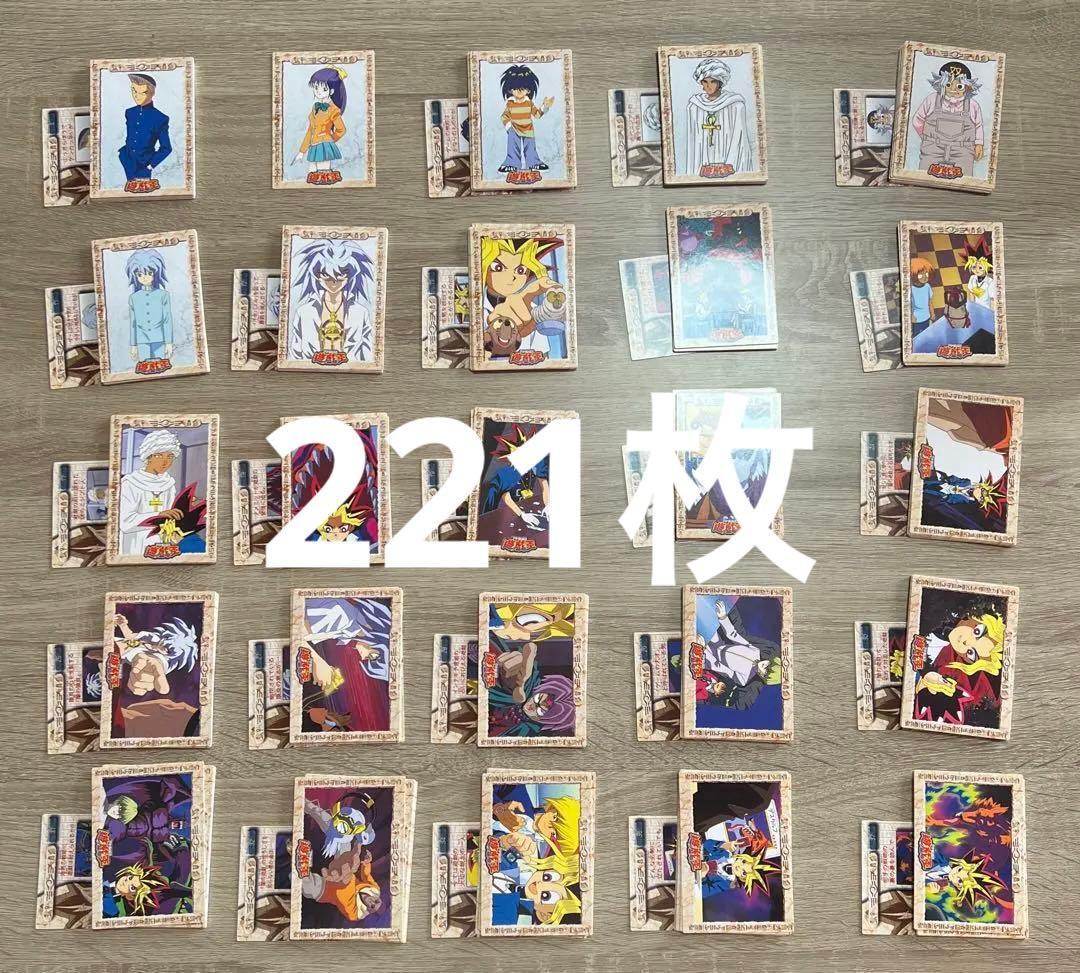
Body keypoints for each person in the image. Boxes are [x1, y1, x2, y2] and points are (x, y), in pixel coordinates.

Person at [912, 60, 984, 176]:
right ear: (941, 84)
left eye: (959, 86)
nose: (953, 89)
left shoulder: (972, 105)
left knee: (964, 178)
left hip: (962, 151)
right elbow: (917, 120)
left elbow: (978, 126)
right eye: (948, 85)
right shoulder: (932, 99)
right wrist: (927, 137)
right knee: (924, 175)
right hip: (932, 149)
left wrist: (979, 144)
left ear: (967, 87)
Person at [684, 58, 752, 177]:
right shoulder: (694, 106)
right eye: (705, 81)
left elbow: (738, 139)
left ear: (720, 83)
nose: (708, 86)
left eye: (713, 81)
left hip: (728, 164)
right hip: (703, 166)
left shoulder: (736, 105)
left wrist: (730, 165)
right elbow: (694, 144)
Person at [118, 430, 182, 556]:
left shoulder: (169, 484)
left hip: (161, 545)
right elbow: (125, 522)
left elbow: (169, 518)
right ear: (148, 457)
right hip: (135, 544)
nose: (165, 462)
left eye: (170, 456)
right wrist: (158, 515)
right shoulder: (130, 483)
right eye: (159, 455)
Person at [118, 73, 172, 193]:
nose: (136, 96)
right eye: (134, 91)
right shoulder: (129, 113)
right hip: (127, 159)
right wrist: (124, 155)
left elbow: (166, 148)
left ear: (151, 94)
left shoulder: (161, 118)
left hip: (144, 165)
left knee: (140, 194)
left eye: (142, 93)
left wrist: (150, 165)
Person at [294, 66, 348, 185]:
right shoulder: (315, 108)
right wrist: (301, 151)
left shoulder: (333, 110)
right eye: (316, 87)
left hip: (324, 147)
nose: (318, 91)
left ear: (331, 91)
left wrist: (329, 140)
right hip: (314, 146)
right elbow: (310, 131)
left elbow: (341, 129)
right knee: (312, 176)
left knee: (323, 178)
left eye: (323, 88)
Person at [497, 65, 554, 176]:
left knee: (530, 147)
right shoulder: (510, 104)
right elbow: (504, 116)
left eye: (522, 88)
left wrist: (545, 107)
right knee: (513, 146)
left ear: (528, 90)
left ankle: (534, 163)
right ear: (510, 89)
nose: (519, 91)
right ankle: (511, 164)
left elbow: (537, 115)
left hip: (528, 128)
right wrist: (509, 127)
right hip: (514, 128)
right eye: (515, 88)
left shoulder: (529, 103)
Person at [125, 249, 173, 374]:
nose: (145, 277)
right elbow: (133, 323)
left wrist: (169, 342)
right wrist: (133, 345)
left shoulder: (163, 295)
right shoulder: (134, 298)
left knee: (160, 370)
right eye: (140, 274)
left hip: (159, 338)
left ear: (155, 273)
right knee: (145, 371)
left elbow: (167, 320)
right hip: (142, 340)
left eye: (149, 273)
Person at [909, 258, 934, 333]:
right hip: (916, 319)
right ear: (913, 275)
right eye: (920, 275)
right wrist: (912, 316)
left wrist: (932, 313)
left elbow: (930, 302)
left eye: (926, 274)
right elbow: (910, 305)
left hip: (926, 317)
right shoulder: (911, 289)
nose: (924, 277)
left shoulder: (927, 286)